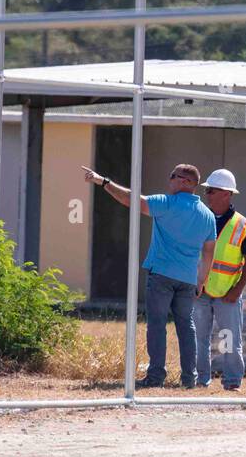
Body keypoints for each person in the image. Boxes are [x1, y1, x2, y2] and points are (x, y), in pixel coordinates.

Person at [82, 162, 216, 388]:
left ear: (185, 182)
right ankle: (189, 378)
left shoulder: (167, 203)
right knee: (186, 326)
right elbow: (209, 251)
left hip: (162, 274)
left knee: (157, 325)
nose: (169, 179)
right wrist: (201, 280)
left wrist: (103, 182)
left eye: (173, 176)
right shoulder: (207, 216)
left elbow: (131, 200)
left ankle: (155, 377)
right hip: (188, 279)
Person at [196, 169, 246, 391]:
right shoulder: (200, 218)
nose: (207, 194)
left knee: (229, 340)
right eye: (207, 190)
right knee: (198, 339)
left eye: (211, 190)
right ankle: (200, 380)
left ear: (226, 194)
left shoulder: (243, 226)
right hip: (199, 291)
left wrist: (237, 290)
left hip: (227, 294)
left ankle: (232, 382)